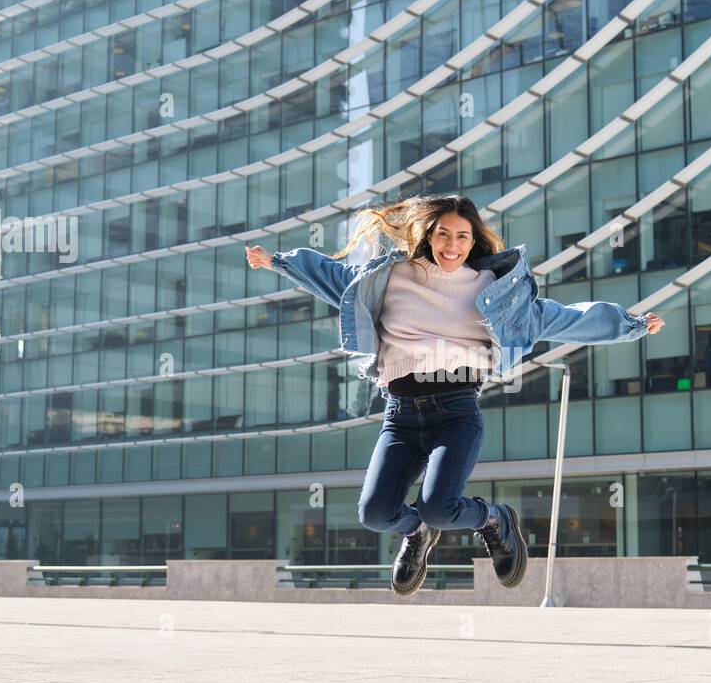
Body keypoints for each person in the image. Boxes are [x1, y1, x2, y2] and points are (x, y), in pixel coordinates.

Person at [246, 193, 664, 596]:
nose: (453, 245)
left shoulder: (492, 290)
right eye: (444, 234)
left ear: (473, 240)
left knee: (440, 506)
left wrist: (631, 325)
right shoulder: (392, 277)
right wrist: (278, 261)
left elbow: (563, 318)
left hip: (456, 413)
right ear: (428, 235)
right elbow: (336, 279)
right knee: (376, 514)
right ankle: (416, 534)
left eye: (463, 236)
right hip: (401, 416)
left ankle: (495, 520)